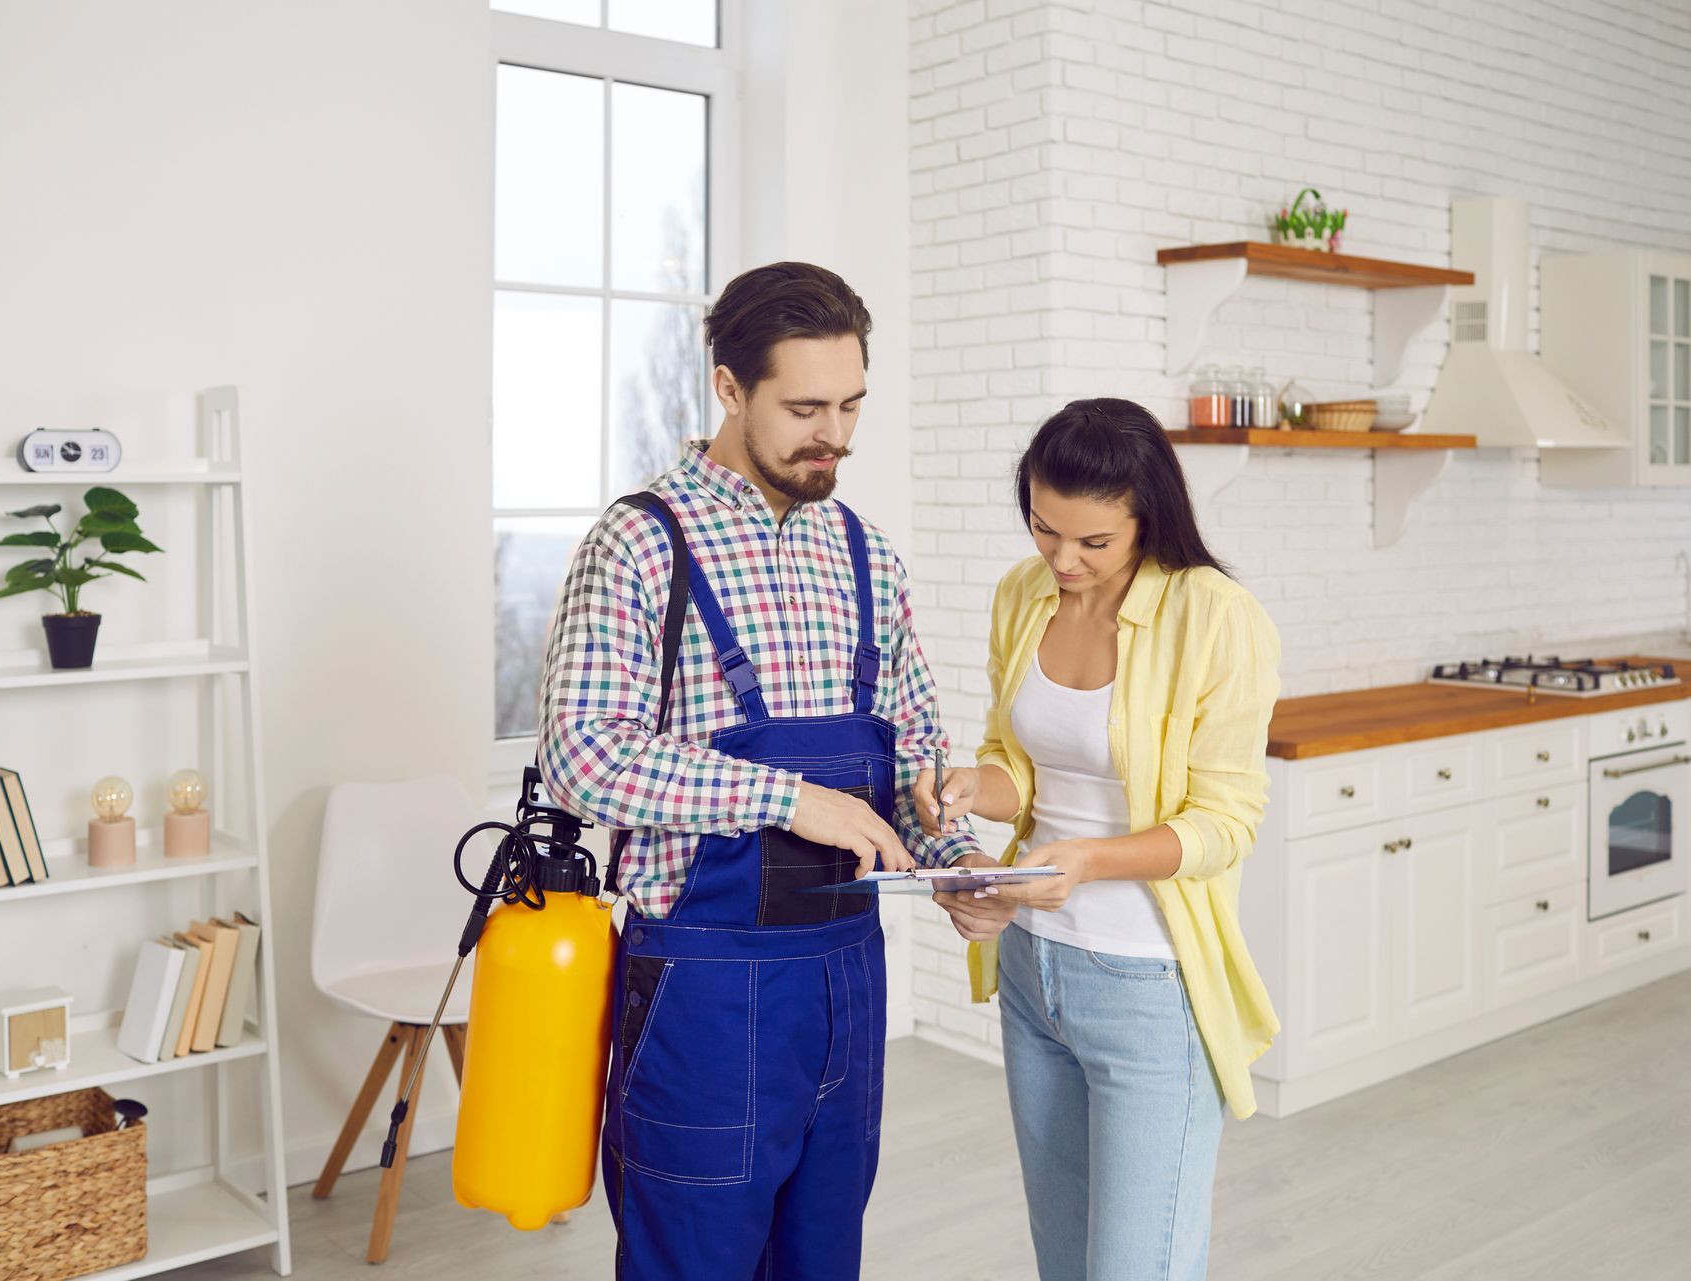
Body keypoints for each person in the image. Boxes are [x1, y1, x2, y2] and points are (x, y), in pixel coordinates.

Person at [536, 261, 982, 1280]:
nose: (836, 433)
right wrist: (786, 798)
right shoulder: (643, 543)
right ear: (730, 389)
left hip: (846, 984)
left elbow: (913, 756)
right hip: (704, 989)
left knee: (823, 1262)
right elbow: (581, 755)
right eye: (806, 407)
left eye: (853, 404)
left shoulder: (867, 556)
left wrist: (957, 864)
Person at [916, 397, 1282, 1281]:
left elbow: (1225, 823)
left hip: (1149, 983)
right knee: (1065, 1262)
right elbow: (1022, 766)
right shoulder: (1023, 593)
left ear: (1145, 521)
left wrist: (1082, 862)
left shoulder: (1215, 616)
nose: (1063, 560)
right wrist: (973, 786)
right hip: (1033, 972)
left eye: (1093, 543)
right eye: (1046, 530)